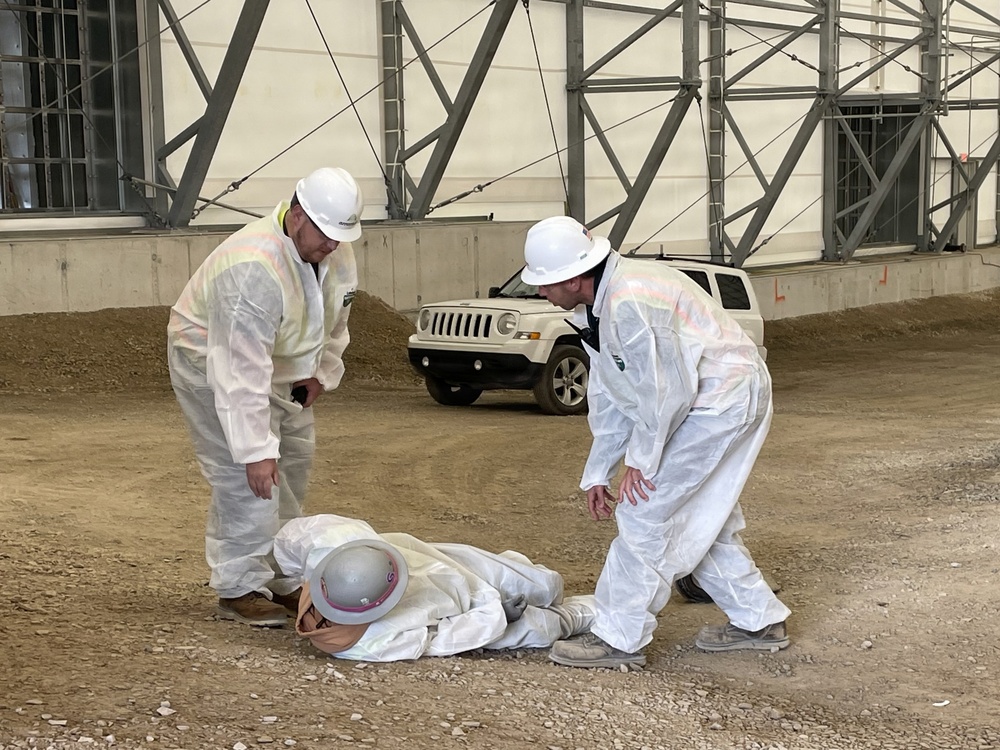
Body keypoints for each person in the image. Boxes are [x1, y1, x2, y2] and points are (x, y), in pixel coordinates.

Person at [520, 215, 791, 669]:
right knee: (702, 514)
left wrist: (641, 462)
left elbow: (667, 393)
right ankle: (759, 621)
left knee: (645, 512)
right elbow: (610, 393)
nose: (539, 291)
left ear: (574, 276)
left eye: (545, 282)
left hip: (718, 400)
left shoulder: (630, 301)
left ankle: (617, 635)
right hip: (707, 400)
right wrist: (596, 472)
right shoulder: (595, 309)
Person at [167, 167, 363, 628]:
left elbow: (337, 315)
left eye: (341, 234)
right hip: (212, 361)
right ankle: (238, 587)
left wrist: (321, 372)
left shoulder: (335, 248)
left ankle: (280, 572)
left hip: (282, 366)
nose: (334, 244)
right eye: (326, 233)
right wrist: (255, 450)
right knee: (248, 478)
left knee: (292, 465)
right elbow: (238, 369)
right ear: (297, 215)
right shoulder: (252, 267)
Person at [273, 514, 596, 662]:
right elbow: (440, 639)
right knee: (537, 628)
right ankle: (590, 615)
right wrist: (497, 616)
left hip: (448, 566)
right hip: (460, 608)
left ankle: (550, 599)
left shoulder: (336, 543)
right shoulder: (368, 642)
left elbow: (291, 535)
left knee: (544, 584)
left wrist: (287, 578)